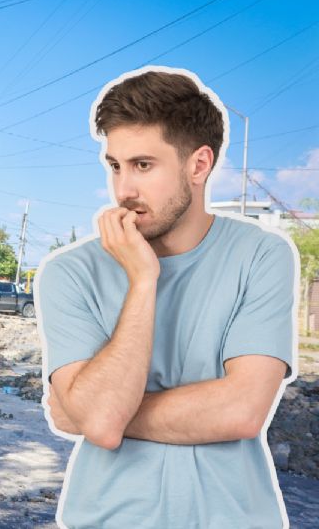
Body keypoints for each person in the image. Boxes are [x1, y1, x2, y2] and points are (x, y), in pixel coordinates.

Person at [38, 67, 299, 528]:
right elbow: (98, 418)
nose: (123, 190)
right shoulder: (69, 272)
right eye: (115, 166)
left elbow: (242, 411)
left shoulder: (262, 255)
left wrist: (96, 413)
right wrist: (143, 281)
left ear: (198, 165)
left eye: (143, 165)